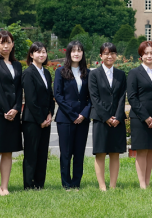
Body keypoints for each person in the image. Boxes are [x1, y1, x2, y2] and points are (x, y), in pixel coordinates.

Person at [0, 30, 23, 196]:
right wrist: (6, 109)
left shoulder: (17, 65)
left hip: (13, 112)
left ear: (13, 44)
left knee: (8, 151)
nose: (5, 46)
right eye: (2, 42)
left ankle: (5, 186)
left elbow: (19, 89)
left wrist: (16, 108)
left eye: (8, 42)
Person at [88, 42, 127, 191]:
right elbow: (94, 97)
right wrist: (106, 117)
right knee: (101, 153)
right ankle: (102, 186)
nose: (109, 56)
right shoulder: (94, 74)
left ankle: (113, 185)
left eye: (112, 53)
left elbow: (122, 97)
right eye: (106, 53)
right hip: (100, 119)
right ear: (101, 56)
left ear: (116, 56)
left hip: (117, 120)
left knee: (115, 153)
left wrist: (118, 116)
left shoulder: (121, 75)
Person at [128, 41, 152, 189]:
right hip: (139, 119)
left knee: (151, 151)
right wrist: (146, 117)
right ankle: (142, 183)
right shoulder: (134, 73)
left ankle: (148, 182)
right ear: (141, 55)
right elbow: (132, 97)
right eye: (146, 53)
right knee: (142, 151)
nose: (149, 56)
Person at [54, 40, 92, 190]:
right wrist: (73, 114)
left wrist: (83, 114)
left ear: (83, 53)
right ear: (69, 53)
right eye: (73, 50)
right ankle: (66, 183)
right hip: (65, 118)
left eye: (79, 50)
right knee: (66, 152)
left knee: (79, 152)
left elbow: (91, 97)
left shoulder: (88, 73)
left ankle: (76, 183)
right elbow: (58, 95)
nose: (76, 53)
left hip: (83, 119)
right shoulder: (60, 72)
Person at [21, 42, 55, 190]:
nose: (41, 55)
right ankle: (29, 184)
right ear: (31, 55)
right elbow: (31, 99)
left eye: (44, 52)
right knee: (31, 153)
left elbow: (50, 96)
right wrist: (41, 119)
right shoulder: (28, 73)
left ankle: (39, 184)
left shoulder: (46, 73)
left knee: (42, 152)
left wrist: (50, 113)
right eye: (38, 52)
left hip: (46, 120)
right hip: (32, 120)